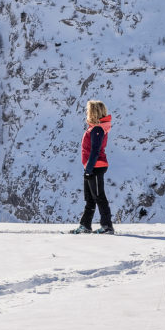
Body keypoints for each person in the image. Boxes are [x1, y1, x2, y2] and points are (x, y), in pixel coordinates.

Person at [70, 100, 114, 234]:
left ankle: (107, 226)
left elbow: (95, 150)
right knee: (90, 198)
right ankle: (85, 225)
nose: (87, 113)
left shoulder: (97, 129)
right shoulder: (96, 128)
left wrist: (89, 170)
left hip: (95, 166)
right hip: (91, 166)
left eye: (89, 111)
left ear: (94, 113)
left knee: (99, 196)